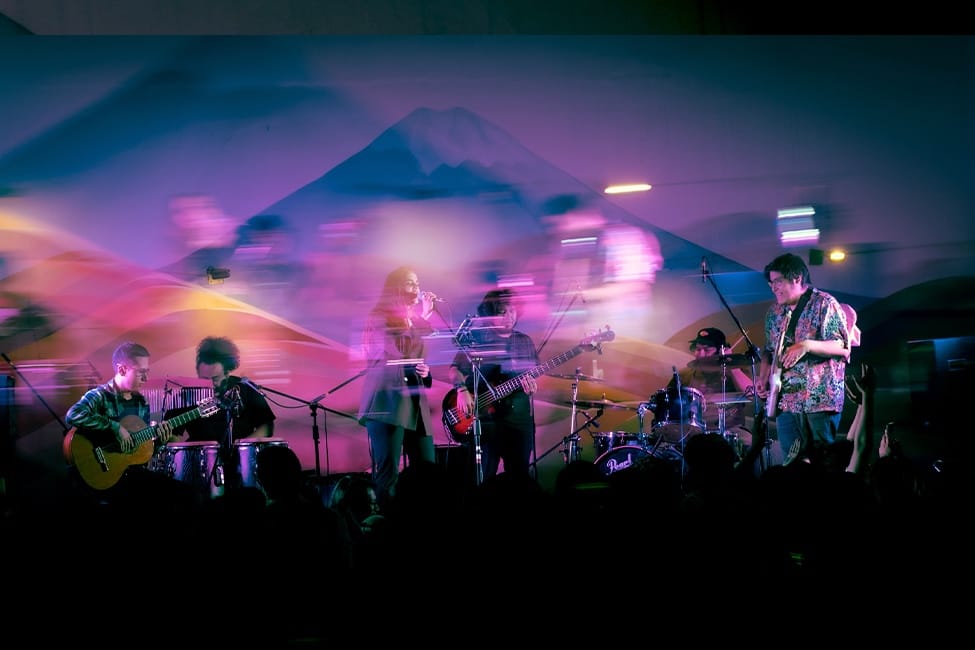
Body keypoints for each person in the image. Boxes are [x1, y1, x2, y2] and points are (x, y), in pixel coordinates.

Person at [64, 341, 185, 511]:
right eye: (141, 372)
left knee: (182, 494)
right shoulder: (99, 395)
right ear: (121, 370)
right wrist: (115, 427)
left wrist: (159, 442)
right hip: (102, 477)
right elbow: (72, 415)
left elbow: (139, 450)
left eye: (147, 372)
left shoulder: (142, 402)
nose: (146, 378)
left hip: (130, 475)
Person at [756, 253, 852, 466]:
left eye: (778, 282)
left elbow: (842, 347)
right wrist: (763, 377)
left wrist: (807, 345)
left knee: (823, 464)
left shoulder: (824, 303)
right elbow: (769, 351)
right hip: (786, 402)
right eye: (771, 283)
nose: (774, 288)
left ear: (797, 278)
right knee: (791, 464)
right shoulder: (774, 313)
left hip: (819, 400)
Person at [357, 265, 438, 509]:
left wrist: (426, 372)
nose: (416, 288)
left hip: (415, 403)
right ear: (396, 288)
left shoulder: (412, 321)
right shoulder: (379, 317)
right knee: (388, 472)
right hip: (388, 403)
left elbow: (415, 357)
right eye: (410, 283)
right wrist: (423, 316)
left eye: (417, 283)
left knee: (427, 471)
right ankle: (385, 521)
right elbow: (399, 351)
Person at [447, 288, 540, 483]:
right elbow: (454, 370)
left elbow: (534, 376)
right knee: (482, 477)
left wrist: (532, 386)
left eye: (512, 311)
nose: (508, 316)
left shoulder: (525, 342)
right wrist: (462, 390)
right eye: (502, 312)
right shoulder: (479, 339)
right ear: (491, 314)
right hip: (487, 421)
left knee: (520, 479)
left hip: (519, 420)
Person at [165, 335, 276, 491]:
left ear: (227, 372)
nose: (210, 384)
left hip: (243, 468)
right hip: (201, 471)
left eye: (215, 378)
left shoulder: (244, 388)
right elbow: (172, 433)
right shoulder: (187, 394)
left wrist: (243, 450)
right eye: (204, 379)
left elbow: (267, 425)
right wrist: (185, 456)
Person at [663, 326, 755, 449]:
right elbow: (666, 403)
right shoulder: (685, 374)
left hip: (731, 430)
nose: (701, 354)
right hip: (695, 431)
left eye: (707, 350)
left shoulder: (735, 370)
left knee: (749, 443)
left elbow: (752, 394)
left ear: (721, 350)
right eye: (698, 349)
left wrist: (731, 365)